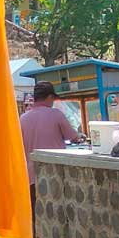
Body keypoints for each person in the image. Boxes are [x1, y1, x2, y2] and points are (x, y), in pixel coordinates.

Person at [20, 81, 84, 212]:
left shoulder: (23, 118)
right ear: (49, 97)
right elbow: (73, 137)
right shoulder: (56, 114)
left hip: (30, 175)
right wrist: (80, 137)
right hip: (54, 173)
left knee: (36, 212)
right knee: (57, 212)